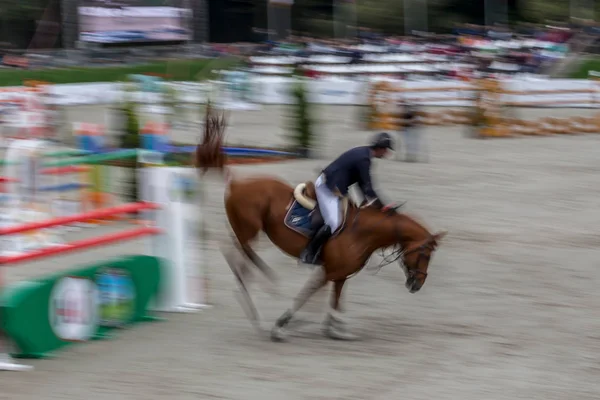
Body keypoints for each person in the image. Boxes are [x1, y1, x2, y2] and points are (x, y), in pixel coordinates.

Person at [299, 132, 394, 265]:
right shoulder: (364, 159)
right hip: (327, 187)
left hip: (336, 187)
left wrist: (373, 203)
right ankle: (309, 253)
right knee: (334, 223)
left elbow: (362, 184)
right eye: (386, 150)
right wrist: (381, 206)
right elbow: (368, 187)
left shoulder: (364, 154)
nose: (386, 153)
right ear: (381, 148)